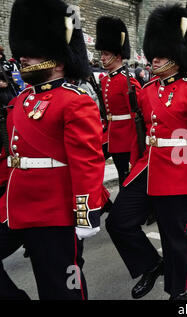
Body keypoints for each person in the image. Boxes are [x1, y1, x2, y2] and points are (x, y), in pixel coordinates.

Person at [0, 0, 109, 300]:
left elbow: (87, 162)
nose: (24, 58)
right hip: (16, 207)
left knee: (61, 289)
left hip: (55, 212)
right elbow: (12, 156)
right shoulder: (20, 101)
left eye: (32, 55)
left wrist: (87, 214)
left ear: (57, 58)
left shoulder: (75, 101)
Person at [106, 4, 187, 300]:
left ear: (178, 56)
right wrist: (131, 164)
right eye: (154, 51)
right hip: (147, 166)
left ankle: (178, 292)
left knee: (173, 236)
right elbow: (140, 133)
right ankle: (151, 264)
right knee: (118, 222)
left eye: (163, 53)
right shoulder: (148, 89)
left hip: (178, 172)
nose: (155, 58)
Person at [95, 16, 142, 188]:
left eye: (106, 54)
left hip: (126, 140)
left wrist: (135, 145)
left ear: (118, 55)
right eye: (102, 54)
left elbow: (136, 114)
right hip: (112, 136)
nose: (103, 57)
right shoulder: (106, 80)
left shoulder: (127, 80)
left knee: (126, 181)